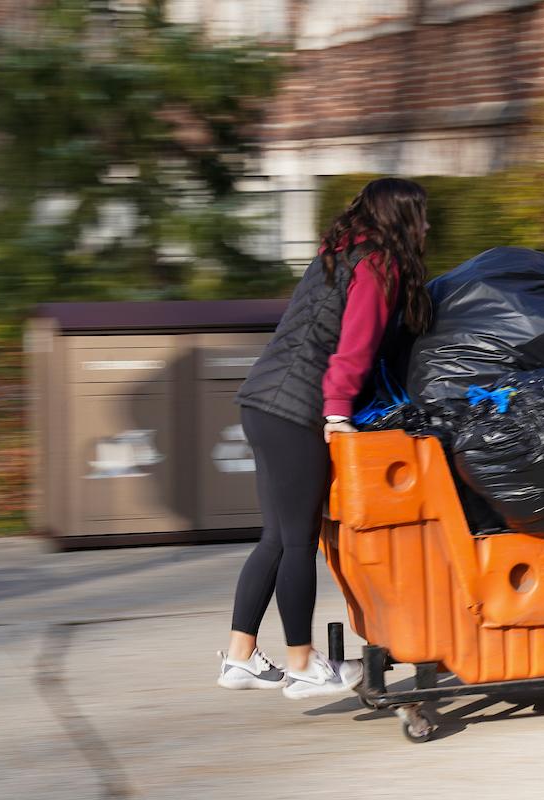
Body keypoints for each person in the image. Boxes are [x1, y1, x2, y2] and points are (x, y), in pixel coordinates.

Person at [217, 177, 432, 699]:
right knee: (296, 542)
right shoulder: (379, 264)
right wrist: (338, 414)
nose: (428, 225)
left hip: (262, 399)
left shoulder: (339, 254)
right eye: (422, 215)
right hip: (298, 409)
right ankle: (303, 664)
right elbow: (353, 348)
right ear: (401, 218)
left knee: (275, 538)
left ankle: (240, 657)